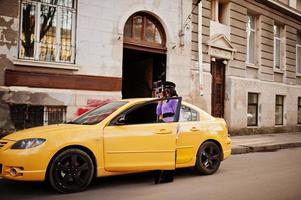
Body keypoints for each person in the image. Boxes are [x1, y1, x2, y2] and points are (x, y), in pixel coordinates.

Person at [154, 81, 178, 184]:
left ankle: (169, 176)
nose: (163, 91)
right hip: (164, 127)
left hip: (171, 128)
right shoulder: (165, 101)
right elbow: (158, 112)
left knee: (170, 152)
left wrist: (173, 128)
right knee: (164, 152)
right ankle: (163, 174)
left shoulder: (174, 100)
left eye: (165, 90)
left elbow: (177, 115)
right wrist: (160, 101)